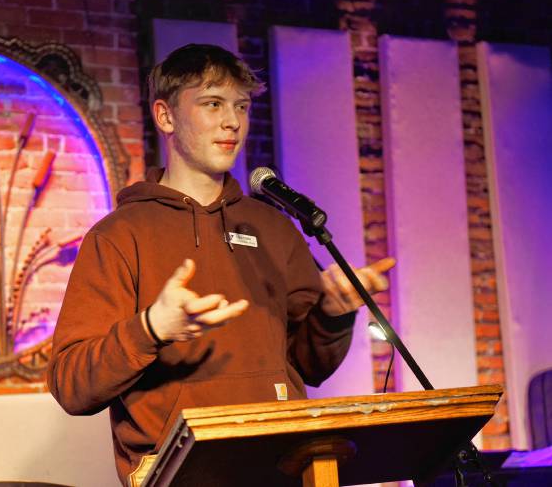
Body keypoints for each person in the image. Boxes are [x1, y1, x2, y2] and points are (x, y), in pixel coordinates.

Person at [47, 43, 393, 483]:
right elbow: (72, 387)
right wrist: (150, 328)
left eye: (241, 106)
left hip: (282, 463)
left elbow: (309, 366)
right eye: (213, 104)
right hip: (182, 473)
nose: (233, 121)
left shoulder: (273, 227)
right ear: (166, 116)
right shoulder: (118, 236)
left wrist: (332, 315)